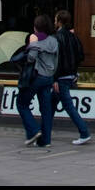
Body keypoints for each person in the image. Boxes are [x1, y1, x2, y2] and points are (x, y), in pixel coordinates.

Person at [16, 14, 59, 149]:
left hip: (37, 76)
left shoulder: (35, 39)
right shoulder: (53, 41)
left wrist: (32, 42)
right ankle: (45, 140)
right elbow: (56, 60)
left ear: (36, 27)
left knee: (22, 103)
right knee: (46, 109)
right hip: (49, 77)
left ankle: (34, 131)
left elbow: (31, 58)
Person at [53, 10, 92, 145]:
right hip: (71, 75)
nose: (54, 22)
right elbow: (81, 55)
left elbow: (56, 60)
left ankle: (84, 132)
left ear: (59, 21)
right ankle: (43, 132)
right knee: (50, 105)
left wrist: (55, 79)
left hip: (61, 78)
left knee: (68, 106)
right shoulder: (73, 37)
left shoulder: (58, 37)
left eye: (55, 19)